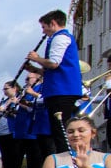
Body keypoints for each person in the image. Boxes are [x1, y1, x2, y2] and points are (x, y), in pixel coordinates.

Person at [26, 9, 82, 153]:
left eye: (44, 27)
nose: (43, 32)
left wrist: (36, 58)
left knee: (61, 130)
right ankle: (63, 159)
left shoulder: (60, 37)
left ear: (53, 23)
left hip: (61, 89)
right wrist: (34, 68)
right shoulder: (58, 38)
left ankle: (66, 161)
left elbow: (54, 63)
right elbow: (51, 70)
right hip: (58, 88)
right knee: (57, 130)